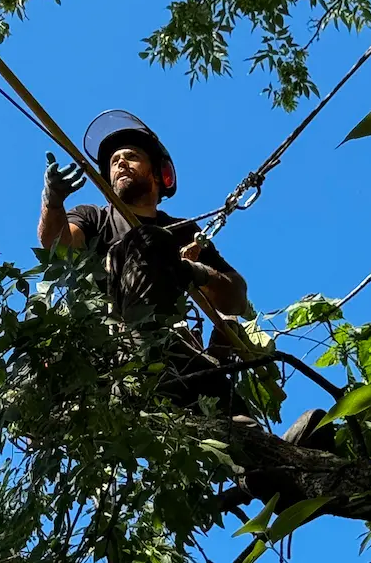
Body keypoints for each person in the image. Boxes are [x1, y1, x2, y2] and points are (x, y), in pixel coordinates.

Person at [37, 109, 253, 415]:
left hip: (173, 351)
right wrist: (53, 200)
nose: (120, 163)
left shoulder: (184, 232)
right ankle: (143, 356)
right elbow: (58, 246)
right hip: (109, 346)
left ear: (157, 173)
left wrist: (195, 271)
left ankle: (278, 447)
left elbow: (236, 299)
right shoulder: (93, 217)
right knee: (147, 241)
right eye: (113, 162)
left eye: (131, 156)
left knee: (237, 420)